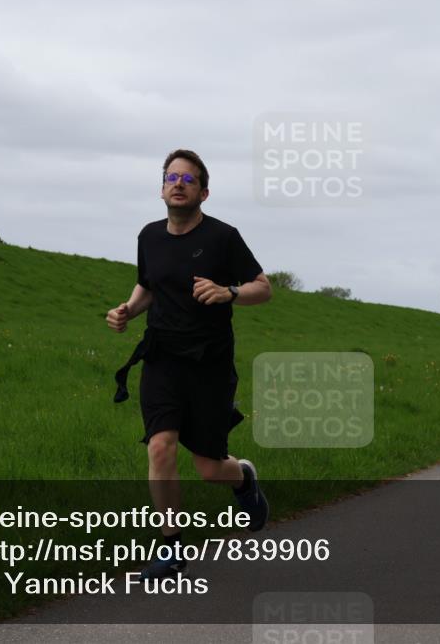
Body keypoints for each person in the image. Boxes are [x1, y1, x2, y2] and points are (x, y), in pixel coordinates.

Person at [107, 149, 272, 580]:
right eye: (171, 177)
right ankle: (170, 549)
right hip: (161, 356)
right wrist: (127, 310)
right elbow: (148, 286)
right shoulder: (149, 236)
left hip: (209, 365)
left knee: (207, 467)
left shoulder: (223, 237)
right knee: (160, 446)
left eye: (189, 179)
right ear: (162, 187)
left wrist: (229, 292)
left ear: (204, 191)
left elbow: (263, 287)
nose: (179, 184)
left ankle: (242, 479)